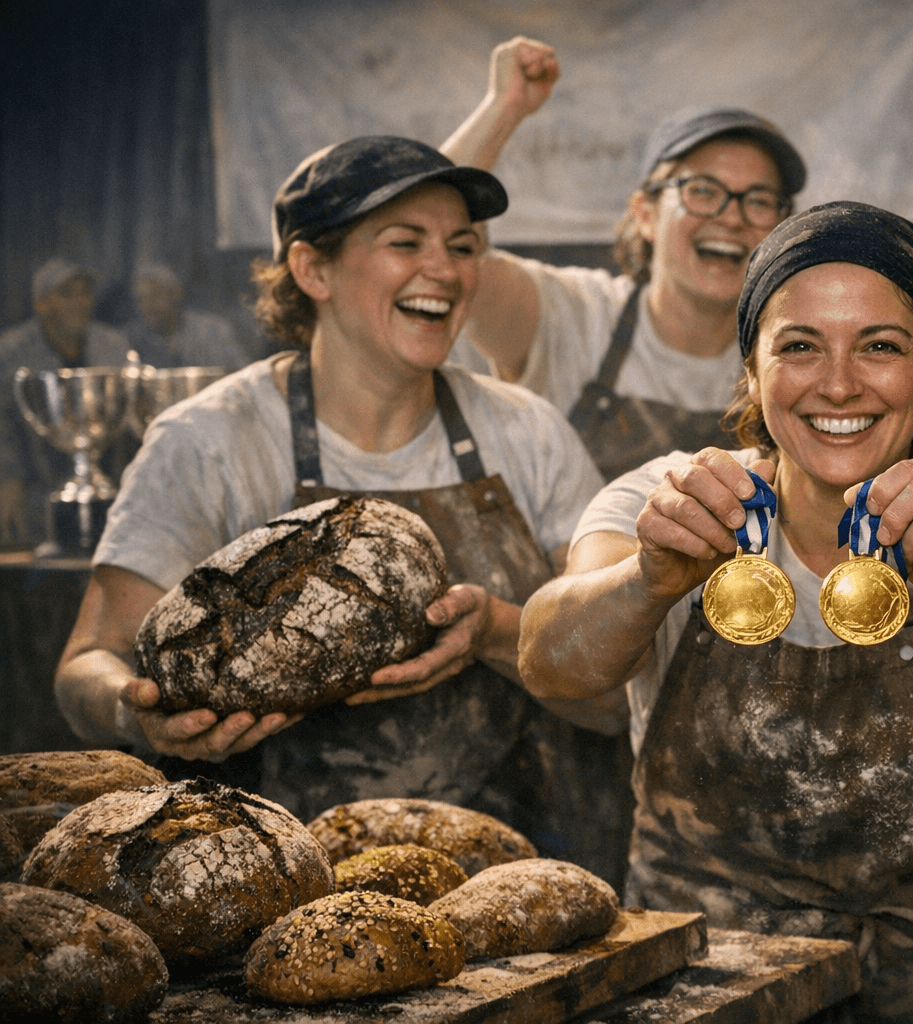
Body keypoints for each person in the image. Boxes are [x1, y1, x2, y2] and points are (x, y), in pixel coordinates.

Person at [519, 201, 913, 1022]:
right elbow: (549, 661)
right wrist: (649, 579)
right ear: (752, 374)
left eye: (881, 347)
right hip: (708, 991)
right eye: (799, 347)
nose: (838, 384)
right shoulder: (677, 502)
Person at [53, 136, 634, 887]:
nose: (447, 270)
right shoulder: (211, 440)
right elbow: (83, 669)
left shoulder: (527, 432)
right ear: (311, 268)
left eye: (464, 245)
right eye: (406, 242)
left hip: (521, 885)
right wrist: (139, 713)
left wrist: (492, 629)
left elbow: (617, 684)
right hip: (274, 903)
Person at [439, 36, 807, 480]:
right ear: (645, 215)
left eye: (759, 200)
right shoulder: (571, 316)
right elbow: (440, 253)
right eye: (703, 191)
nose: (731, 217)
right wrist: (504, 107)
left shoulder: (790, 354)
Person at [0, 259, 133, 546]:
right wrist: (8, 479)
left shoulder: (114, 346)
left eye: (85, 292)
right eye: (66, 293)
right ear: (40, 303)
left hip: (109, 485)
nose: (79, 302)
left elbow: (128, 417)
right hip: (33, 487)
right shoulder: (10, 351)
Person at [122, 262, 251, 369]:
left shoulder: (212, 331)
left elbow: (241, 373)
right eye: (141, 299)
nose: (148, 305)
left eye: (155, 296)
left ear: (175, 295)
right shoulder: (129, 339)